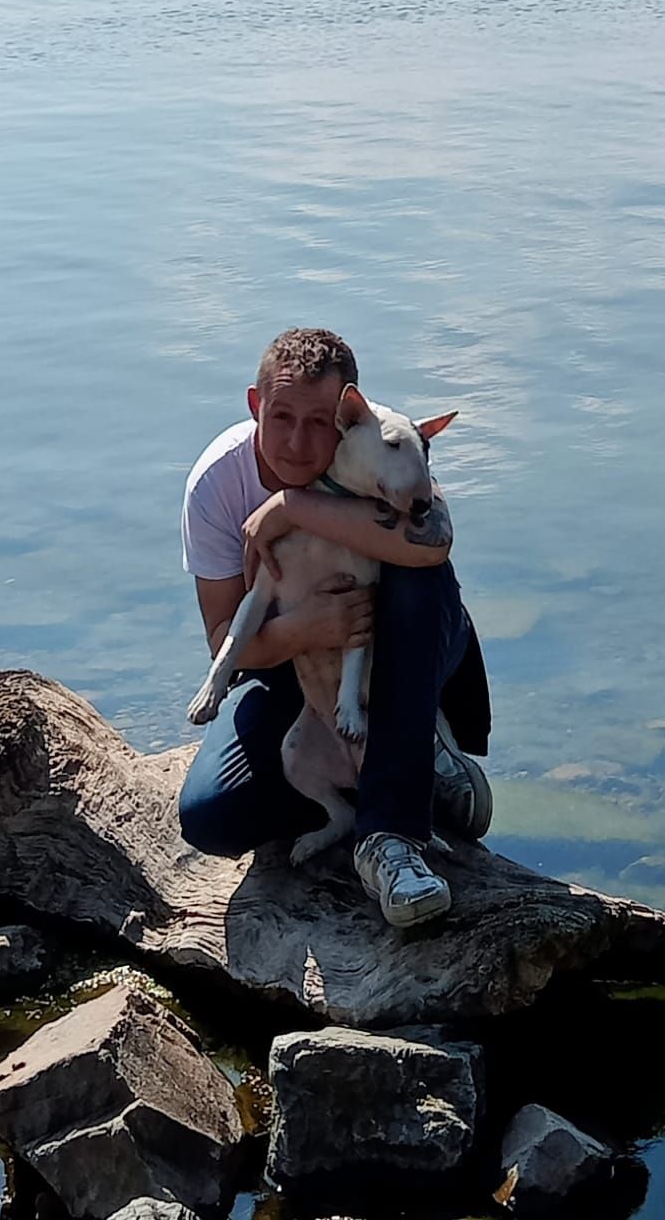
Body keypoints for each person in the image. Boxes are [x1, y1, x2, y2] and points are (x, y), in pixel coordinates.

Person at [179, 327, 492, 929]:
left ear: (349, 420)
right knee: (212, 818)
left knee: (413, 574)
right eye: (282, 417)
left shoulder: (385, 447)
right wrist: (307, 629)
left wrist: (291, 506)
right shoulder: (217, 482)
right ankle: (393, 772)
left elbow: (434, 545)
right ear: (255, 406)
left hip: (406, 644)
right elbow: (224, 641)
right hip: (294, 664)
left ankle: (392, 834)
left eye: (320, 422)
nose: (298, 443)